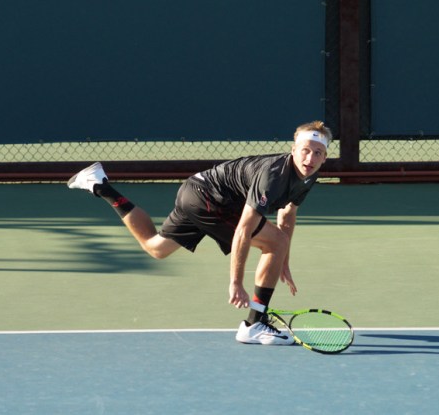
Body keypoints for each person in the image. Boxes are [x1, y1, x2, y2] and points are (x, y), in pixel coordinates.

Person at [67, 121, 331, 345]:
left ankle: (99, 185)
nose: (310, 158)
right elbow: (243, 230)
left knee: (156, 247)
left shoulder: (308, 175)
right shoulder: (273, 177)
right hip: (209, 198)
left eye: (317, 153)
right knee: (274, 242)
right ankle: (254, 324)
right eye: (305, 150)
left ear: (325, 157)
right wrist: (236, 282)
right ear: (293, 149)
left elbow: (287, 213)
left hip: (195, 190)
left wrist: (283, 260)